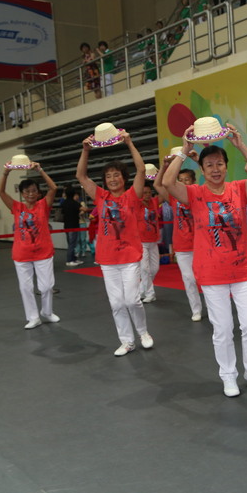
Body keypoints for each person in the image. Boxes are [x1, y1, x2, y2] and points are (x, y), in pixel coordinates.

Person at [161, 124, 247, 397]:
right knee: (223, 328)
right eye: (209, 165)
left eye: (219, 164)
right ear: (202, 170)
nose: (215, 169)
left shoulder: (238, 189)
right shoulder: (195, 194)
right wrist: (185, 150)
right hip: (212, 273)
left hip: (244, 269)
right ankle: (228, 376)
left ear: (226, 166)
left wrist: (240, 145)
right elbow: (167, 183)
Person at [76, 130, 154, 356]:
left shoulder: (132, 195)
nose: (112, 179)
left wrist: (129, 142)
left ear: (123, 177)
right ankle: (127, 341)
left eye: (116, 175)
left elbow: (141, 170)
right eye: (108, 176)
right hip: (107, 259)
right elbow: (81, 176)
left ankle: (143, 332)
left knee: (132, 300)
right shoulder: (101, 196)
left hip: (129, 257)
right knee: (117, 303)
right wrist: (85, 150)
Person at [0, 161, 61, 329]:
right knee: (26, 288)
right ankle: (33, 317)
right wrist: (6, 172)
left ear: (38, 193)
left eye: (33, 191)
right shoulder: (17, 207)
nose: (31, 194)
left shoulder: (43, 205)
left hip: (43, 252)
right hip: (21, 254)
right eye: (27, 191)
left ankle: (47, 312)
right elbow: (0, 191)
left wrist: (40, 170)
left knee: (46, 286)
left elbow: (53, 188)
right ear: (22, 194)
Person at [153, 159, 203, 321]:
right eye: (180, 180)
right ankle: (196, 309)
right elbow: (157, 185)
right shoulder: (173, 198)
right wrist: (164, 167)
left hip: (202, 244)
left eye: (186, 179)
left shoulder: (200, 194)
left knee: (205, 278)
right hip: (182, 245)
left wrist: (197, 160)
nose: (183, 182)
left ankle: (214, 307)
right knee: (188, 279)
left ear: (193, 181)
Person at [138, 185, 160, 303]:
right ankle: (150, 293)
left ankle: (140, 290)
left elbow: (164, 189)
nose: (147, 195)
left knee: (155, 268)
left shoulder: (154, 202)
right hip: (141, 241)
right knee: (144, 269)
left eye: (149, 192)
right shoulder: (136, 204)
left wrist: (156, 176)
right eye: (144, 193)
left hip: (153, 240)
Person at [61, 186, 83, 267]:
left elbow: (62, 212)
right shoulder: (75, 203)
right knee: (72, 244)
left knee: (71, 243)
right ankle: (69, 260)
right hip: (74, 225)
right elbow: (83, 209)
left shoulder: (64, 203)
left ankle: (73, 259)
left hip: (66, 225)